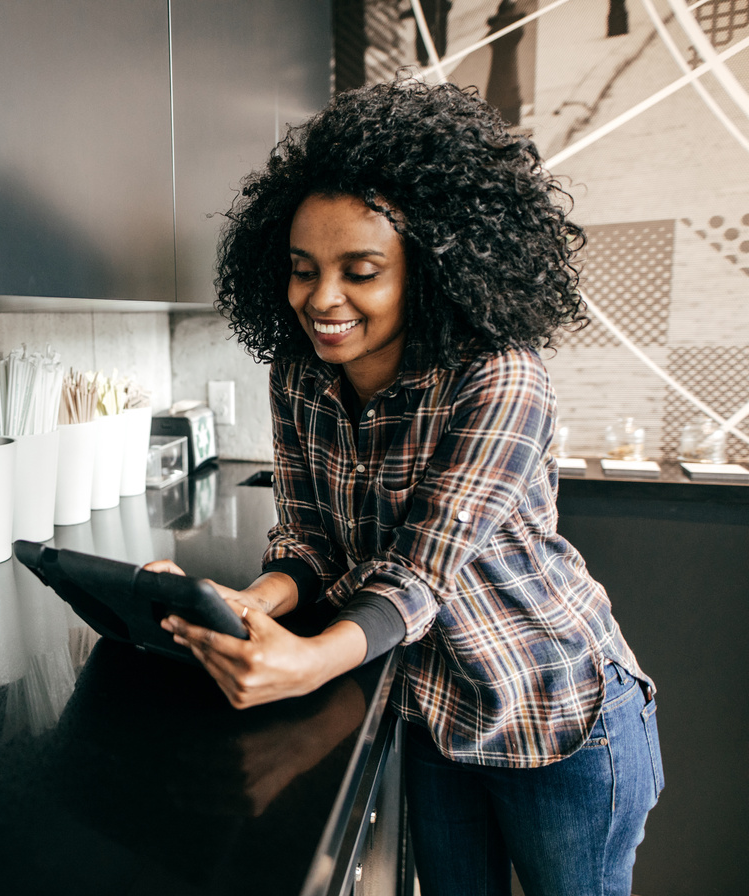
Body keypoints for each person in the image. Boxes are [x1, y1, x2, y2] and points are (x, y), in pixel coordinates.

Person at [149, 79, 664, 896]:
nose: (323, 300)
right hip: (431, 714)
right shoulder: (301, 377)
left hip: (555, 719)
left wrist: (315, 660)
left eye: (361, 271)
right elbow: (312, 538)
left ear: (426, 269)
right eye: (302, 270)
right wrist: (257, 602)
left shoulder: (500, 379)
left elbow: (419, 572)